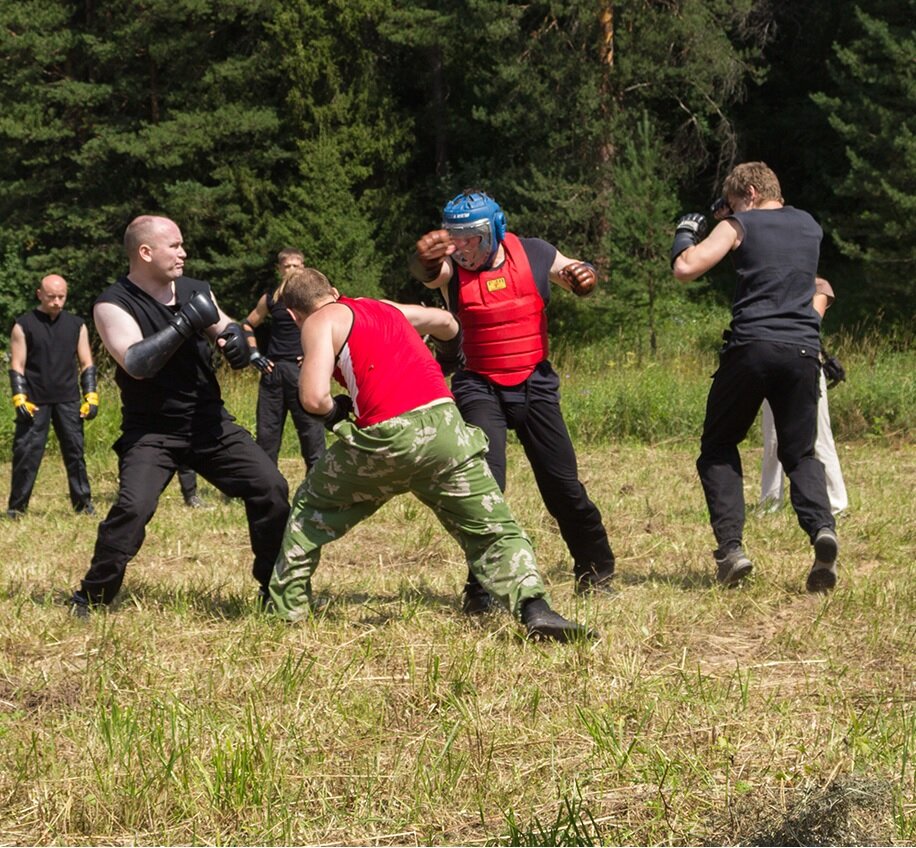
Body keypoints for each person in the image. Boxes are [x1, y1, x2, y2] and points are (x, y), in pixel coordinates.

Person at [267, 267, 596, 643]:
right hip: (446, 429)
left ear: (293, 314)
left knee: (310, 508)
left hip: (388, 437)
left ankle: (289, 614)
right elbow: (446, 321)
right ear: (336, 290)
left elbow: (313, 397)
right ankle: (535, 608)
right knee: (493, 528)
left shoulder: (318, 321)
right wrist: (450, 358)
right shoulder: (384, 307)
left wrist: (337, 418)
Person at [409, 189, 616, 614]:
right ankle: (482, 590)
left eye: (473, 237)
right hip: (479, 384)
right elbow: (428, 272)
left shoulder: (536, 253)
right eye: (456, 238)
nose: (464, 248)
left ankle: (596, 570)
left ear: (495, 229)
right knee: (487, 485)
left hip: (535, 382)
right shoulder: (452, 269)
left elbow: (574, 271)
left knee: (563, 486)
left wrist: (585, 276)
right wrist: (425, 256)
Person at [70, 215, 290, 615]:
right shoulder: (112, 303)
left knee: (271, 487)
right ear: (145, 252)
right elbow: (136, 361)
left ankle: (273, 589)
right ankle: (92, 595)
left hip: (210, 424)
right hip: (152, 431)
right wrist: (188, 319)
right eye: (174, 245)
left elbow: (225, 328)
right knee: (133, 509)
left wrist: (235, 342)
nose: (183, 252)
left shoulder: (194, 289)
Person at [671, 162, 839, 592]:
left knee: (719, 445)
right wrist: (731, 214)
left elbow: (687, 268)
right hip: (803, 350)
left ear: (748, 191)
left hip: (752, 347)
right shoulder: (809, 226)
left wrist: (686, 233)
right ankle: (822, 528)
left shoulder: (740, 223)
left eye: (731, 202)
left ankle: (731, 550)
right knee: (800, 453)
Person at [7, 274, 96, 518]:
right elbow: (17, 365)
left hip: (68, 399)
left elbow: (86, 362)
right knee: (26, 453)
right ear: (39, 294)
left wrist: (91, 395)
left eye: (61, 297)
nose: (57, 302)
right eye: (51, 297)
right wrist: (19, 397)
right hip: (35, 400)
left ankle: (83, 505)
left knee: (75, 453)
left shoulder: (76, 325)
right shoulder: (23, 325)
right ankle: (17, 508)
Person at [759, 277, 848, 514]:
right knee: (774, 438)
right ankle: (770, 503)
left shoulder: (819, 287)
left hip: (806, 365)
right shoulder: (768, 284)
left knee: (819, 436)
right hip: (772, 364)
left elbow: (808, 322)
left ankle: (835, 503)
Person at [240, 248, 326, 470]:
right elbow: (247, 324)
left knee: (312, 436)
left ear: (304, 267)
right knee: (267, 438)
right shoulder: (270, 298)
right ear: (279, 269)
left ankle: (318, 492)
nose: (291, 270)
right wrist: (254, 354)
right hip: (273, 372)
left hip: (303, 372)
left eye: (296, 265)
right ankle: (266, 491)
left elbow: (332, 326)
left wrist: (315, 355)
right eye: (287, 266)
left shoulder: (314, 298)